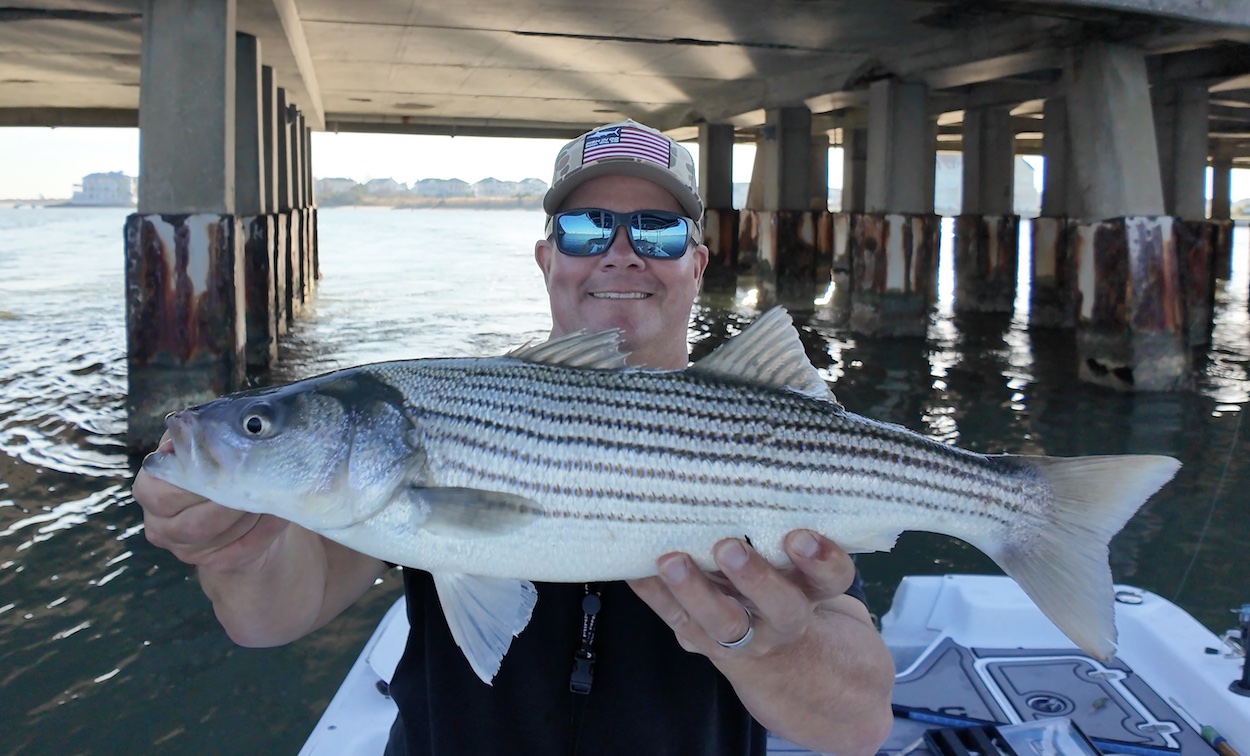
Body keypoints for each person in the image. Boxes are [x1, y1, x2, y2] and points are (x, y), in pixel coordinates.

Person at [132, 119, 895, 755]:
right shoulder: (448, 415)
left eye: (657, 232)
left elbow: (858, 725)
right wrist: (238, 546)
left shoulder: (770, 433)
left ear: (697, 266)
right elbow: (266, 619)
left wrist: (777, 649)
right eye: (585, 227)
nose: (620, 251)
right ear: (547, 259)